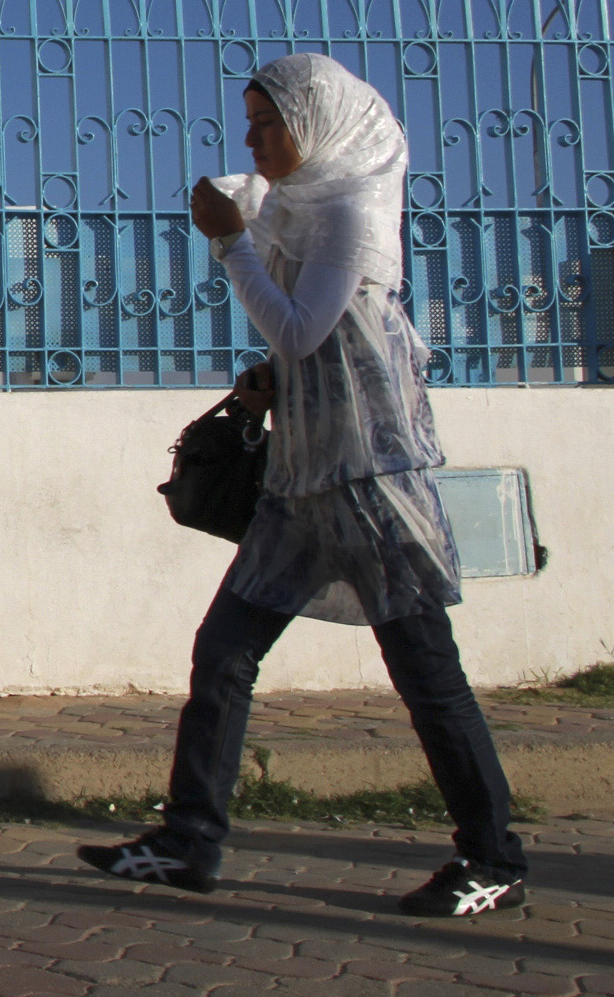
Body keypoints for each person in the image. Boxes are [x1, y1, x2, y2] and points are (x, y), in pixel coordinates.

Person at [77, 52, 528, 916]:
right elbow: (312, 351)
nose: (253, 138)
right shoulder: (297, 208)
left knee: (425, 671)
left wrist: (228, 242)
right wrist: (274, 379)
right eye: (246, 123)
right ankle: (188, 841)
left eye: (266, 123)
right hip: (301, 476)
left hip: (368, 476)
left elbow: (299, 327)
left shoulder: (352, 212)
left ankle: (494, 857)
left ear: (315, 123)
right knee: (224, 651)